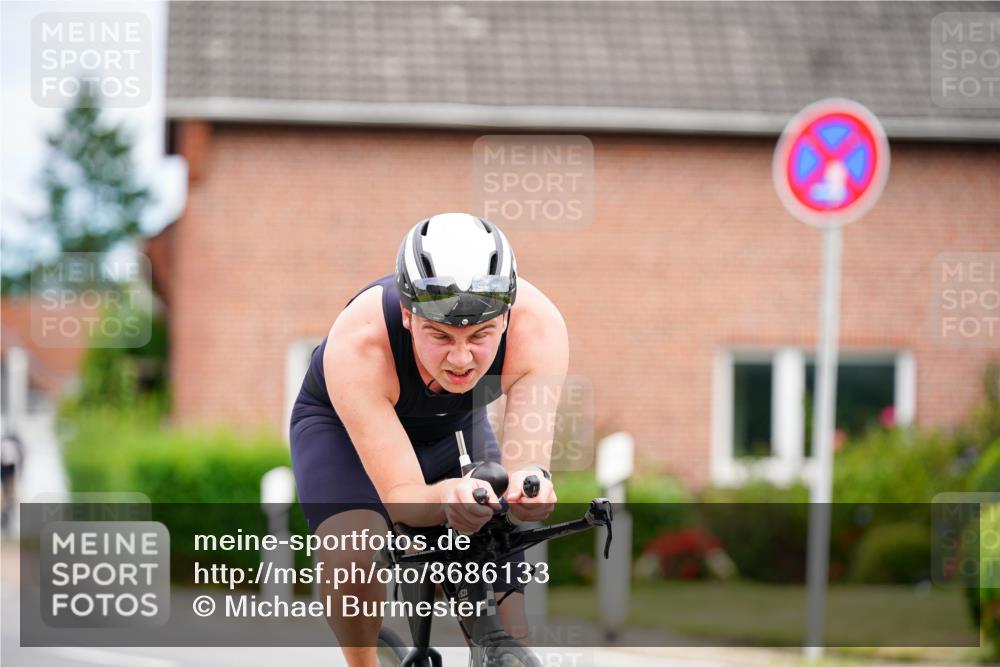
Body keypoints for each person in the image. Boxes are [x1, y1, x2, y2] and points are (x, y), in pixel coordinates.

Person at [289, 213, 568, 667]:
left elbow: (525, 470)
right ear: (406, 314)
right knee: (354, 556)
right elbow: (404, 500)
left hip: (452, 427)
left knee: (507, 623)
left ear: (507, 315)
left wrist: (527, 489)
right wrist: (446, 500)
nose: (461, 359)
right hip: (340, 431)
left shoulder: (539, 329)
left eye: (480, 336)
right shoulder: (360, 343)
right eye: (439, 335)